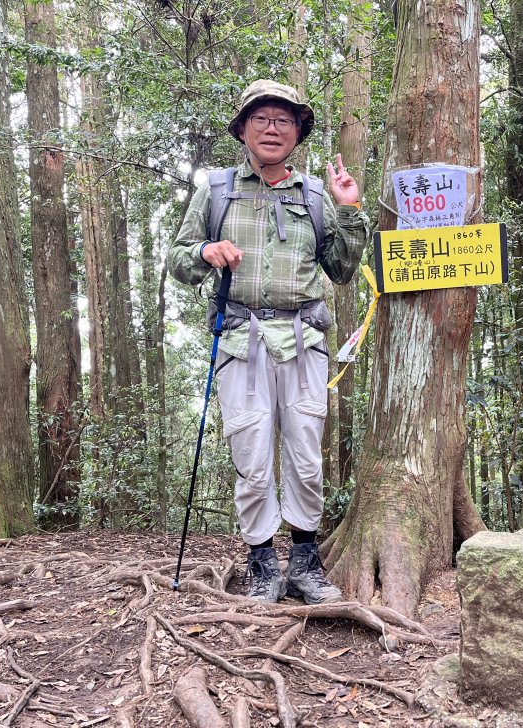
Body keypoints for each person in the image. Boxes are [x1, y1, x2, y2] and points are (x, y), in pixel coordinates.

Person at [167, 80, 369, 604]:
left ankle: (305, 563)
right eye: (262, 119)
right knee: (251, 454)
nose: (273, 128)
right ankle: (260, 563)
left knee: (305, 454)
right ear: (243, 130)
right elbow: (179, 259)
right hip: (240, 340)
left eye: (284, 119)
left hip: (304, 339)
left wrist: (349, 208)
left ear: (298, 132)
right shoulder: (215, 189)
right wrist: (206, 251)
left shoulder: (317, 195)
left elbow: (343, 269)